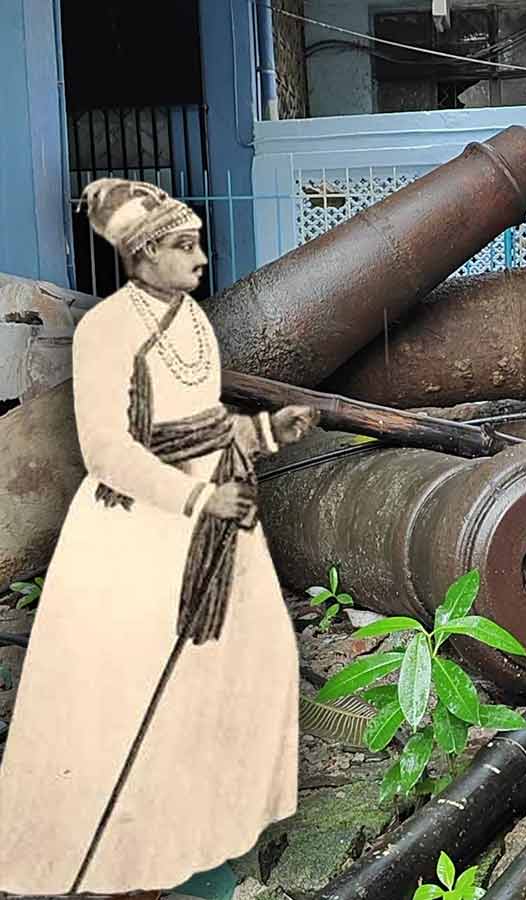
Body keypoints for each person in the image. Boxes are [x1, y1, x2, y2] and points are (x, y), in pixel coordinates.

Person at [0, 179, 318, 899]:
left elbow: (202, 423)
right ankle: (122, 864)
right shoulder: (104, 332)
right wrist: (200, 498)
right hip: (136, 530)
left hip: (215, 524)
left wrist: (265, 431)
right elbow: (109, 451)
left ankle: (206, 840)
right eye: (184, 246)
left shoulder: (195, 323)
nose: (200, 258)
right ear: (143, 256)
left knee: (242, 671)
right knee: (129, 695)